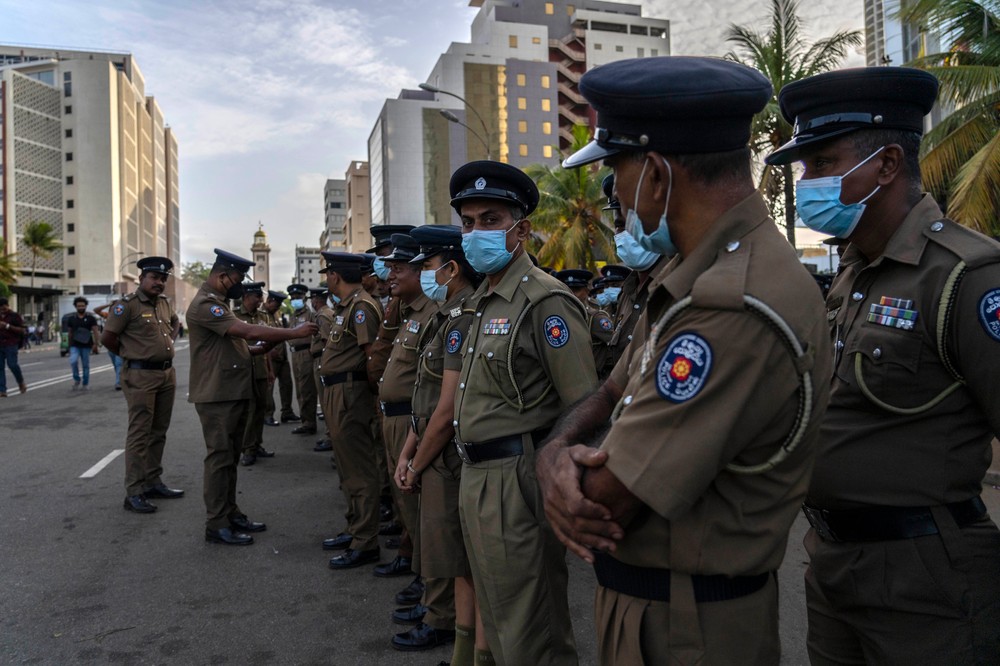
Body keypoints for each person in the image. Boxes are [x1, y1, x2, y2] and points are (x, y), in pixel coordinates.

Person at [537, 56, 833, 664]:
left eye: (614, 172)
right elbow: (610, 392)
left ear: (654, 173)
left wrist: (552, 462)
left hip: (688, 627)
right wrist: (554, 451)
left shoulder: (733, 303)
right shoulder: (694, 272)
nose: (615, 196)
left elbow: (606, 498)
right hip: (663, 607)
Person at [765, 66, 1000, 664]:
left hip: (926, 576)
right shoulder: (854, 273)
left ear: (888, 164)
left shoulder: (965, 276)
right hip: (833, 562)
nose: (807, 183)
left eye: (823, 163)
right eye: (806, 167)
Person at [451, 160, 600, 665]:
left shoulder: (545, 300)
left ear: (522, 230)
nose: (476, 233)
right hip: (476, 476)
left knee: (530, 632)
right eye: (468, 223)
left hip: (516, 479)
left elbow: (584, 404)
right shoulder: (484, 300)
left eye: (490, 220)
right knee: (498, 619)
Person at [393, 224, 483, 658]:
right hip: (429, 446)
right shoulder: (445, 315)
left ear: (450, 269)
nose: (423, 273)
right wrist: (407, 452)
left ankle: (451, 630)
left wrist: (416, 462)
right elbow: (425, 398)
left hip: (447, 455)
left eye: (427, 265)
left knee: (457, 558)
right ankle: (454, 634)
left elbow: (446, 410)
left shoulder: (464, 317)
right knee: (445, 552)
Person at [186, 249, 317, 546]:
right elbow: (244, 331)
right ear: (223, 276)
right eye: (237, 278)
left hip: (230, 390)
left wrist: (256, 351)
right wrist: (293, 333)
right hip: (217, 394)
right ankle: (216, 523)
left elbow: (231, 345)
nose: (240, 285)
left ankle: (230, 513)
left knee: (230, 458)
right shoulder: (206, 304)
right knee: (220, 459)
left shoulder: (220, 302)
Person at [376, 232, 456, 650]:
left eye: (403, 267)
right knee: (418, 516)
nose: (390, 274)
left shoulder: (437, 313)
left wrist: (416, 456)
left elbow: (442, 399)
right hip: (410, 425)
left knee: (435, 525)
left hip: (429, 431)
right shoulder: (413, 312)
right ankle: (433, 597)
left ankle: (440, 609)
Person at [317, 252, 385, 569]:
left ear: (335, 276)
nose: (327, 279)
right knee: (347, 468)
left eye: (328, 274)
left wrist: (369, 396)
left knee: (360, 469)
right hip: (338, 391)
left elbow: (372, 358)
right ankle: (355, 527)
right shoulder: (347, 307)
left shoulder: (361, 307)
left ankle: (365, 540)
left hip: (350, 392)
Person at [101, 256, 184, 514]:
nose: (159, 282)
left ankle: (152, 481)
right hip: (140, 376)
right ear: (141, 278)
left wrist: (168, 342)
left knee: (159, 431)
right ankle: (134, 491)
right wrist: (131, 353)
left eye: (163, 279)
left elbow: (176, 323)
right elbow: (108, 338)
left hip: (166, 374)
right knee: (140, 433)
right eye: (154, 277)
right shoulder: (127, 306)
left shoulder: (164, 303)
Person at [603, 173, 670, 371]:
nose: (626, 233)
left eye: (635, 224)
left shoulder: (674, 283)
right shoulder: (627, 292)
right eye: (619, 225)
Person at [236, 282, 275, 467]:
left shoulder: (263, 316)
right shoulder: (234, 316)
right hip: (243, 371)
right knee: (249, 411)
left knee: (260, 409)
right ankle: (247, 449)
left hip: (260, 369)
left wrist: (270, 370)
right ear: (246, 297)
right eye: (257, 297)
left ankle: (257, 444)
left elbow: (266, 346)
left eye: (261, 296)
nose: (260, 300)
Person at [555, 268, 614, 377]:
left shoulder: (595, 319)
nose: (572, 294)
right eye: (568, 290)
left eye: (576, 290)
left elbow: (616, 347)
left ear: (587, 291)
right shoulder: (557, 317)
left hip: (593, 378)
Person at [261, 290, 297, 426]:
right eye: (276, 305)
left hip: (282, 356)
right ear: (269, 301)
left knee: (287, 384)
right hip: (270, 357)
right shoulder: (261, 314)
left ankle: (287, 412)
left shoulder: (275, 314)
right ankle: (268, 414)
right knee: (269, 387)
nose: (277, 308)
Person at [286, 283, 318, 436]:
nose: (295, 299)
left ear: (304, 297)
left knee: (307, 389)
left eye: (297, 297)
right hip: (294, 354)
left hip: (306, 353)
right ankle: (305, 420)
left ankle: (309, 423)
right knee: (299, 389)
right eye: (292, 297)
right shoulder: (293, 315)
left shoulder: (310, 314)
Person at [309, 287, 335, 453]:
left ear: (316, 300)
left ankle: (331, 436)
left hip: (322, 360)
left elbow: (327, 343)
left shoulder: (323, 316)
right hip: (321, 359)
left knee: (326, 401)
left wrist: (325, 365)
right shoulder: (328, 313)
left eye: (312, 299)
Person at [64, 296, 100, 390]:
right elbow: (70, 333)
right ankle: (76, 379)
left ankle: (85, 383)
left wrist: (96, 344)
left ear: (86, 306)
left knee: (85, 365)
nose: (81, 307)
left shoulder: (91, 318)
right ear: (75, 306)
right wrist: (68, 346)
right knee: (73, 361)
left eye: (83, 306)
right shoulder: (71, 319)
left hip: (86, 345)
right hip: (74, 345)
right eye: (79, 306)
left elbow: (95, 331)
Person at [0, 297, 28, 397]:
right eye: (0, 308)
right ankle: (2, 390)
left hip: (11, 344)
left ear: (8, 306)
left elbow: (22, 330)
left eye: (4, 308)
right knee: (0, 367)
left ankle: (21, 382)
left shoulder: (15, 316)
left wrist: (7, 326)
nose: (2, 310)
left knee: (12, 364)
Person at [95, 302, 125, 390]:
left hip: (121, 344)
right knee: (116, 364)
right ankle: (121, 379)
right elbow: (96, 310)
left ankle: (119, 383)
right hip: (110, 345)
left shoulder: (124, 317)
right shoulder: (108, 316)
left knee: (119, 363)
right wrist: (109, 304)